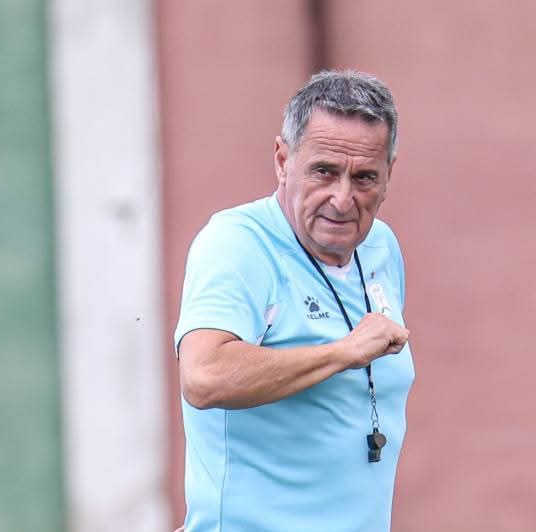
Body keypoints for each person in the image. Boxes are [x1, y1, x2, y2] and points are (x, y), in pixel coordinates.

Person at [174, 70, 415, 531]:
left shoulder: (380, 246)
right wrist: (343, 352)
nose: (342, 199)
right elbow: (203, 376)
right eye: (325, 171)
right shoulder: (237, 243)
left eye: (364, 177)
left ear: (389, 175)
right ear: (283, 160)